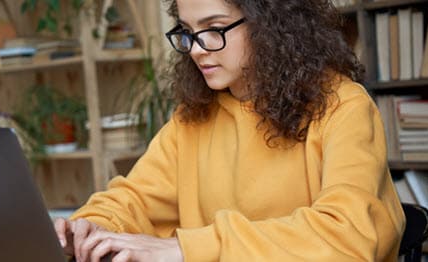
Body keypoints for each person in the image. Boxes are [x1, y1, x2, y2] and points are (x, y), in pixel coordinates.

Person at [54, 0, 406, 261]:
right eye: (188, 32)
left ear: (271, 24)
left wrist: (186, 249)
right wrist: (91, 226)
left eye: (214, 28)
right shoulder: (192, 118)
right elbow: (135, 199)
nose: (195, 49)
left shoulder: (344, 106)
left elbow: (348, 237)